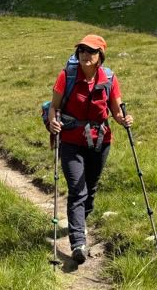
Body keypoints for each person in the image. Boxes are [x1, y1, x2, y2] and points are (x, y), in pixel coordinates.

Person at [47, 34, 132, 265]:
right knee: (77, 189)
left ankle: (79, 223)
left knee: (90, 189)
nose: (85, 54)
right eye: (82, 50)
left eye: (91, 51)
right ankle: (78, 242)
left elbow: (115, 111)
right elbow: (54, 107)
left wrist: (124, 119)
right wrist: (54, 121)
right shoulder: (67, 76)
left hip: (100, 141)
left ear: (100, 56)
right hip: (71, 141)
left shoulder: (110, 79)